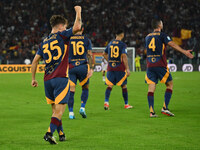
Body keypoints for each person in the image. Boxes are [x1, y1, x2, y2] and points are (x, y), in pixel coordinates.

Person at [31, 5, 82, 144]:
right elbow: (77, 27)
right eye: (65, 27)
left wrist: (33, 78)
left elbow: (35, 61)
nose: (66, 29)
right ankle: (49, 133)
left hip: (47, 80)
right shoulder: (62, 35)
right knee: (59, 112)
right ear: (60, 27)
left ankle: (61, 133)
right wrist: (78, 11)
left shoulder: (44, 42)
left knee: (55, 111)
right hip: (60, 78)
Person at [145, 18, 194, 118]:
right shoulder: (163, 35)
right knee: (170, 84)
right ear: (159, 25)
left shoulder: (147, 37)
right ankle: (165, 108)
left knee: (151, 86)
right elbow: (171, 44)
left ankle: (151, 112)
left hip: (150, 65)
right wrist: (184, 51)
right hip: (160, 64)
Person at [103, 29, 133, 110]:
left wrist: (109, 60)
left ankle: (106, 102)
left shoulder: (110, 43)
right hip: (120, 68)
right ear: (122, 35)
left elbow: (104, 54)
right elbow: (124, 56)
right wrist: (127, 68)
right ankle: (126, 104)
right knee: (124, 86)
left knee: (110, 85)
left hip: (111, 68)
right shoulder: (122, 45)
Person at [67, 25, 93, 119]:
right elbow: (89, 54)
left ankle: (71, 112)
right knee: (85, 88)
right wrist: (91, 68)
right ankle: (82, 107)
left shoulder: (68, 39)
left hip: (71, 67)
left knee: (71, 90)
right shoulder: (86, 40)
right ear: (82, 29)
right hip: (83, 67)